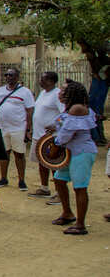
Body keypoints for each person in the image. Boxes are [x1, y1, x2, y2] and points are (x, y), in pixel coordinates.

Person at [48, 80, 98, 235]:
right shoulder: (71, 108)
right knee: (59, 179)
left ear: (71, 93)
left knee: (80, 187)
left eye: (63, 90)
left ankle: (80, 224)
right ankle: (67, 213)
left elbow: (66, 134)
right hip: (72, 152)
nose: (60, 93)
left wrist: (55, 143)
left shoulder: (77, 108)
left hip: (81, 153)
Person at [0, 68, 35, 191]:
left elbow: (30, 110)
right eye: (7, 75)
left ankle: (21, 180)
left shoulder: (25, 92)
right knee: (4, 154)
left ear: (17, 77)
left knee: (19, 154)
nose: (8, 77)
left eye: (11, 75)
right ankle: (3, 178)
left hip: (18, 128)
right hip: (2, 127)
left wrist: (28, 129)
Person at [29, 72, 64, 199]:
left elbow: (64, 114)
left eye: (43, 79)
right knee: (41, 162)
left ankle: (59, 192)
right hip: (39, 135)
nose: (40, 81)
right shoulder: (43, 93)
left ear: (51, 81)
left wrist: (56, 126)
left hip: (51, 136)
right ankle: (44, 188)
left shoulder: (57, 95)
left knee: (53, 163)